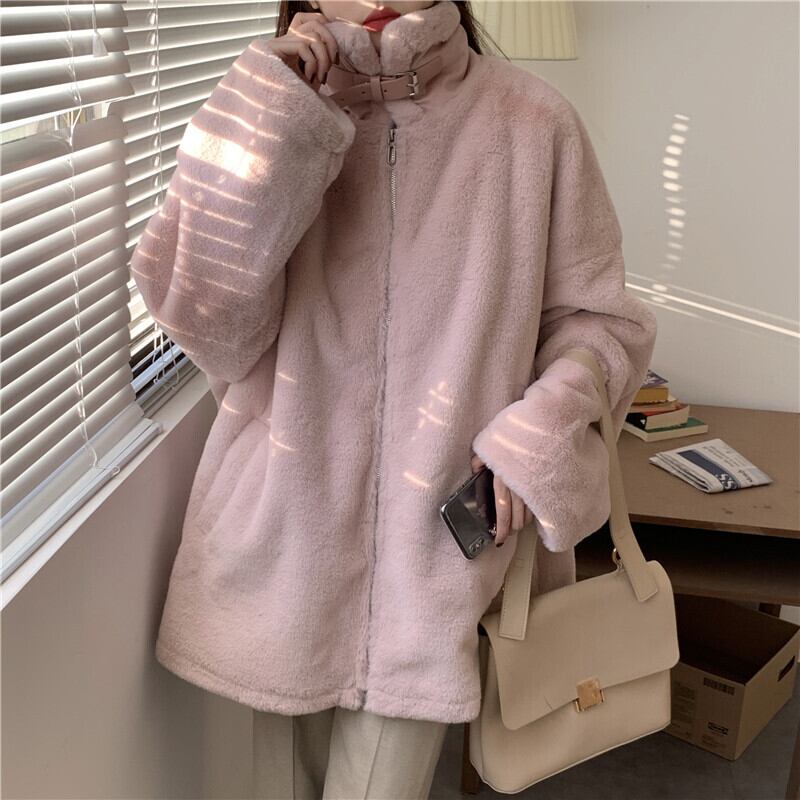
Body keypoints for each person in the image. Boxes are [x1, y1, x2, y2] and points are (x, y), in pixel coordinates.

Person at [130, 1, 657, 797]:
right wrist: (275, 115)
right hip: (283, 544)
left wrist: (537, 437)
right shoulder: (272, 113)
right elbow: (204, 318)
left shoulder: (531, 122)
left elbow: (600, 324)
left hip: (439, 547)